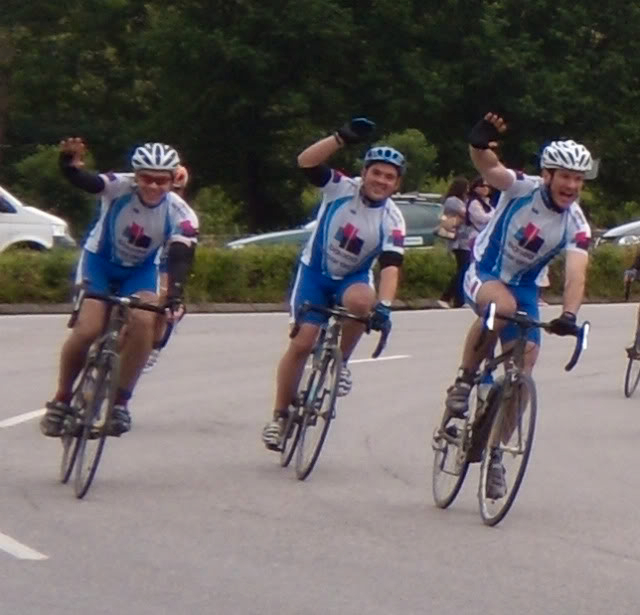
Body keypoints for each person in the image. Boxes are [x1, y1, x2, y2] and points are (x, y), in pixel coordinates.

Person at [443, 112, 592, 498]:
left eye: (578, 179)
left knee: (525, 365)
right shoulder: (521, 188)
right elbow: (490, 170)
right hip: (487, 269)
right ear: (548, 175)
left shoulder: (576, 223)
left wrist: (570, 315)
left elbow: (577, 273)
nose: (571, 185)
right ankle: (464, 378)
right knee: (501, 307)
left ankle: (494, 454)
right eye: (565, 176)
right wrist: (479, 144)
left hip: (526, 285)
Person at [261, 117, 407, 450]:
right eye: (376, 173)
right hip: (314, 274)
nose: (381, 181)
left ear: (397, 184)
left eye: (389, 177)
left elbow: (390, 267)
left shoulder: (393, 218)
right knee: (302, 344)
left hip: (352, 278)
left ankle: (341, 360)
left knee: (362, 304)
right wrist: (339, 138)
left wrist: (384, 307)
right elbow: (306, 162)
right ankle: (280, 416)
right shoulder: (342, 188)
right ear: (365, 173)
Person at [41, 139, 199, 437]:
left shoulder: (182, 214)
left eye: (161, 180)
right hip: (99, 263)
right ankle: (61, 399)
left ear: (173, 180)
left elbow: (180, 258)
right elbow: (86, 182)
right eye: (145, 179)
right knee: (88, 329)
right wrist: (68, 165)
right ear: (135, 175)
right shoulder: (118, 186)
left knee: (143, 323)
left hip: (139, 272)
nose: (152, 186)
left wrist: (174, 295)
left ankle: (120, 403)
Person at [143, 163, 193, 373]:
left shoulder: (180, 213)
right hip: (143, 258)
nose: (174, 195)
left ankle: (154, 347)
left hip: (165, 261)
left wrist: (173, 292)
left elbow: (183, 254)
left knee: (166, 304)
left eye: (178, 191)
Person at [438, 177, 469, 308]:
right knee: (463, 268)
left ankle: (457, 299)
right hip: (458, 240)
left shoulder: (463, 200)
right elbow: (467, 214)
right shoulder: (453, 201)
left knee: (463, 269)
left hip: (465, 240)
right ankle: (447, 297)